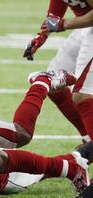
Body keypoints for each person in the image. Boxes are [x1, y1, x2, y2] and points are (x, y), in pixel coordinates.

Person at [23, 0, 93, 146]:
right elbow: (57, 10)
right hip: (86, 28)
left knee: (82, 95)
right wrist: (42, 35)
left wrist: (64, 24)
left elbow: (61, 22)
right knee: (53, 83)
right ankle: (88, 139)